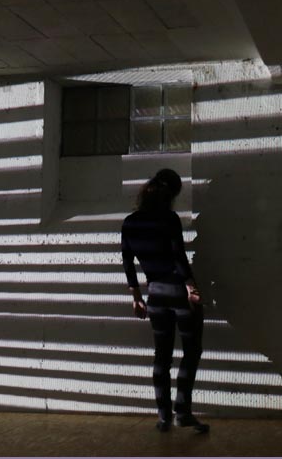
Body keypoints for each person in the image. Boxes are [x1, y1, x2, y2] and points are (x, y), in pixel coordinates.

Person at [122, 168, 209, 433]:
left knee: (162, 356)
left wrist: (136, 297)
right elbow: (178, 256)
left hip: (156, 295)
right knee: (191, 351)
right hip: (178, 292)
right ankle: (182, 412)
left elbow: (128, 261)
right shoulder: (169, 219)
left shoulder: (130, 222)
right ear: (171, 195)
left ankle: (163, 417)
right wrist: (191, 287)